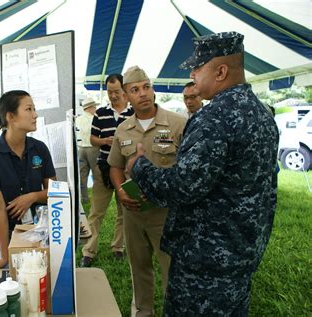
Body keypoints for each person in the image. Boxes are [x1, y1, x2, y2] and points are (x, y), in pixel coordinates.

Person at [126, 32, 279, 315]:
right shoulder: (263, 115)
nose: (193, 74)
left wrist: (139, 166)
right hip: (242, 252)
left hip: (205, 261)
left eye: (198, 67)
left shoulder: (215, 118)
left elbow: (181, 186)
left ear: (221, 71)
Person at [108, 66, 186, 317]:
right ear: (127, 96)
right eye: (135, 90)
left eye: (146, 87)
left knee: (171, 269)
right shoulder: (123, 129)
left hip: (166, 214)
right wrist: (120, 191)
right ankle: (142, 311)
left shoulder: (178, 124)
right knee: (138, 267)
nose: (142, 93)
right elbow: (115, 167)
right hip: (134, 213)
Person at [0, 90, 56, 269]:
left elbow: (53, 191)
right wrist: (5, 256)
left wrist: (32, 197)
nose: (35, 115)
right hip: (6, 232)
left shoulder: (40, 149)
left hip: (37, 230)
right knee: (13, 284)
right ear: (11, 117)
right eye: (29, 109)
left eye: (34, 109)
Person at [80, 74, 134, 267]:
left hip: (126, 170)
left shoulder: (133, 113)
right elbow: (93, 139)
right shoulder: (101, 113)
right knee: (96, 211)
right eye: (110, 92)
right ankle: (89, 251)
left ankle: (118, 248)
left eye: (116, 91)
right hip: (103, 166)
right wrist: (104, 141)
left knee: (124, 211)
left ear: (124, 90)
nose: (112, 96)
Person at [75, 97, 100, 204]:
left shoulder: (77, 119)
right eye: (94, 107)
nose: (95, 109)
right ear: (90, 108)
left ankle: (84, 198)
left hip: (80, 149)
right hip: (93, 149)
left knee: (82, 175)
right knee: (96, 174)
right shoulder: (94, 119)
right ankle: (97, 198)